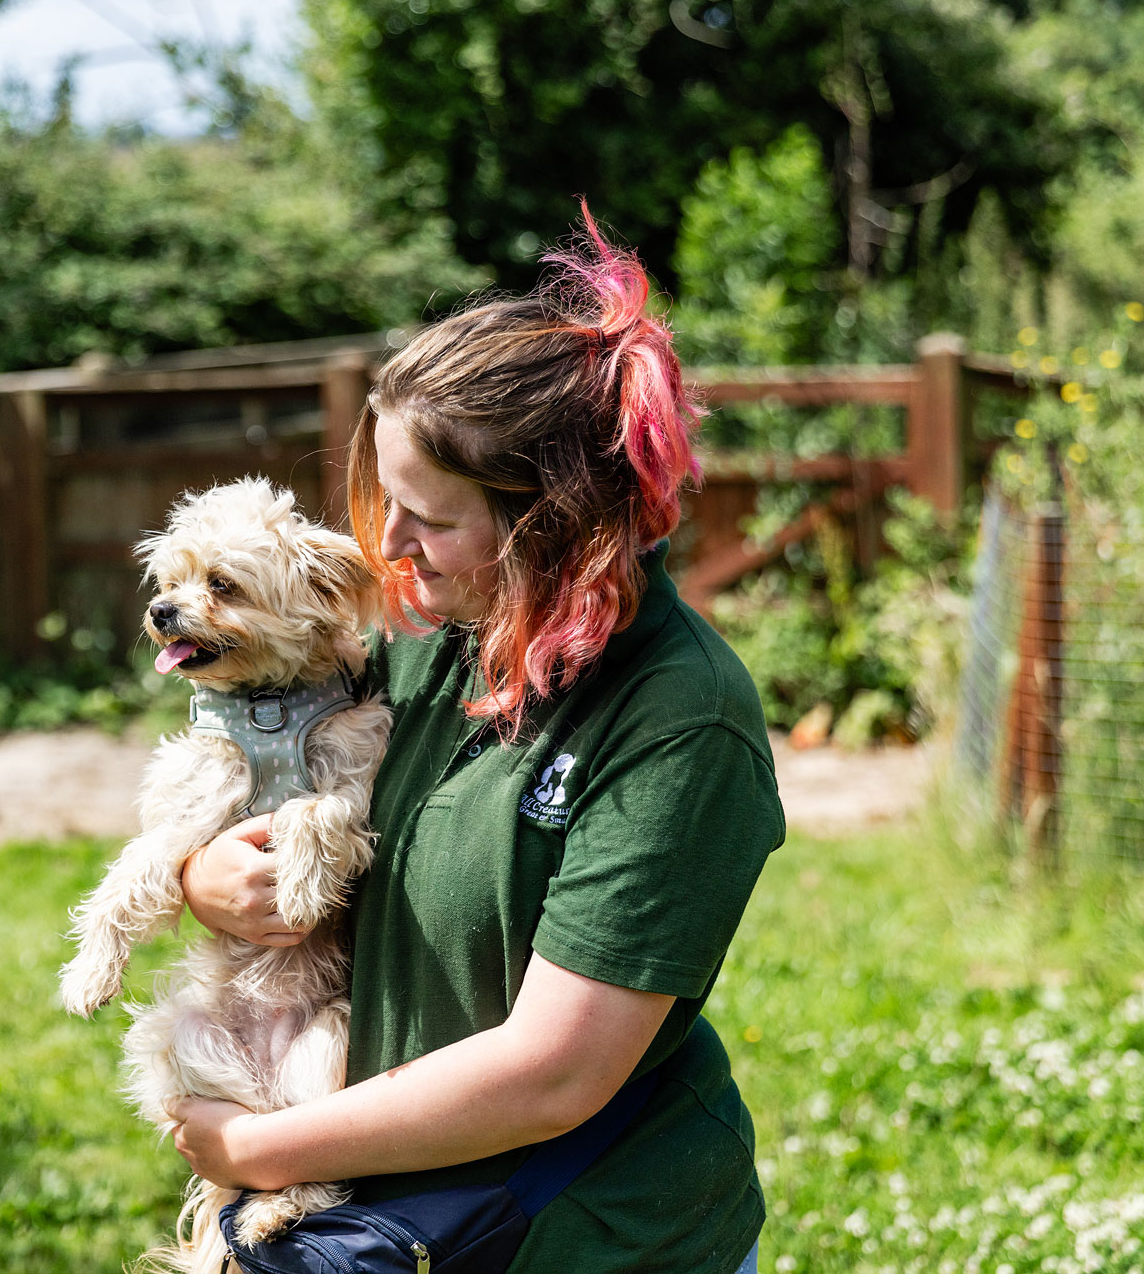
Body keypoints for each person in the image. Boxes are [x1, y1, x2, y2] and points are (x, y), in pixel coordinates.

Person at [171, 209, 785, 1273]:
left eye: (427, 515)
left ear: (550, 524)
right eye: (385, 501)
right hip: (386, 1214)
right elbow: (255, 776)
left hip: (584, 1237)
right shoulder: (434, 634)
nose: (390, 547)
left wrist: (259, 1146)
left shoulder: (677, 721)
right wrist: (201, 874)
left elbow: (553, 1071)